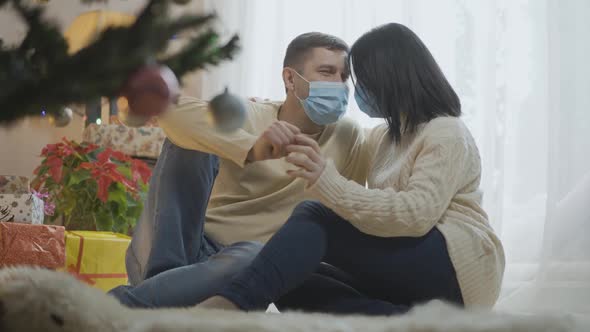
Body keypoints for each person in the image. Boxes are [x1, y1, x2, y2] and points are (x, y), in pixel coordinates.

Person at [200, 23, 506, 315]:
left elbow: (416, 215)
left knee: (314, 214)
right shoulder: (386, 138)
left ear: (390, 78)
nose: (353, 90)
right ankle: (406, 321)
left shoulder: (446, 132)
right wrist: (269, 109)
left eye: (358, 79)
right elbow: (352, 144)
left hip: (459, 268)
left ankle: (231, 306)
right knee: (291, 272)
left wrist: (326, 180)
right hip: (415, 273)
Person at [108, 32, 370, 308]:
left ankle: (135, 302)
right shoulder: (249, 115)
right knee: (187, 141)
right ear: (290, 79)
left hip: (247, 267)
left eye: (344, 76)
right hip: (188, 248)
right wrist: (252, 148)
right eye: (327, 72)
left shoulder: (348, 136)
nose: (339, 85)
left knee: (255, 255)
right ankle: (163, 284)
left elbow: (346, 213)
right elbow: (172, 113)